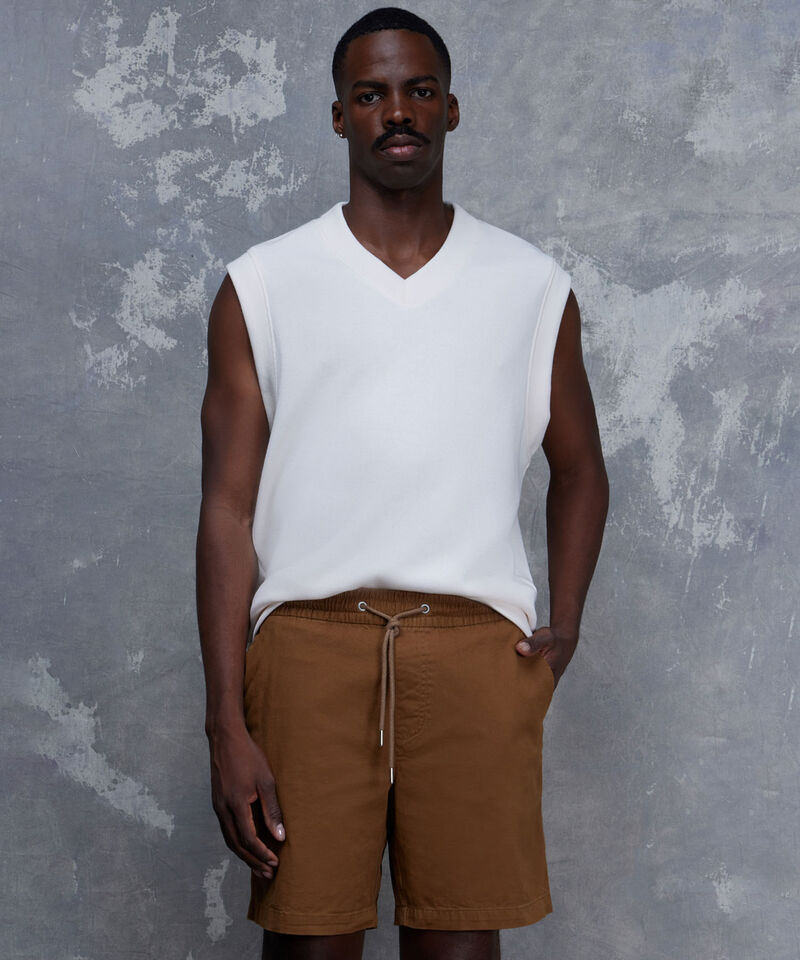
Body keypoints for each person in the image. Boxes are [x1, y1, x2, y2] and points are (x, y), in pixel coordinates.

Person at [196, 7, 608, 959]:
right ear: (339, 115)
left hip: (474, 651)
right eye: (371, 93)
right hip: (308, 647)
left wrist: (568, 619)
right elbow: (225, 509)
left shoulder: (530, 285)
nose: (397, 112)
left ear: (451, 109)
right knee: (309, 942)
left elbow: (582, 469)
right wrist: (225, 721)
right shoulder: (263, 284)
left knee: (460, 944)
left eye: (419, 90)